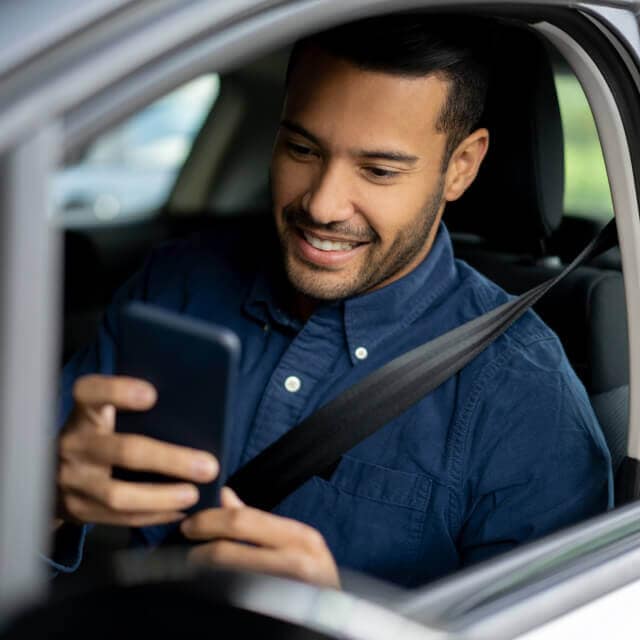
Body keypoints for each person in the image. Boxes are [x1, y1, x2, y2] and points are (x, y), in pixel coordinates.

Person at [50, 15, 613, 589]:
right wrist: (49, 497)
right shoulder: (175, 285)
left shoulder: (525, 398)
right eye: (302, 148)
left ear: (460, 168)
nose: (322, 205)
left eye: (378, 170)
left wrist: (338, 618)